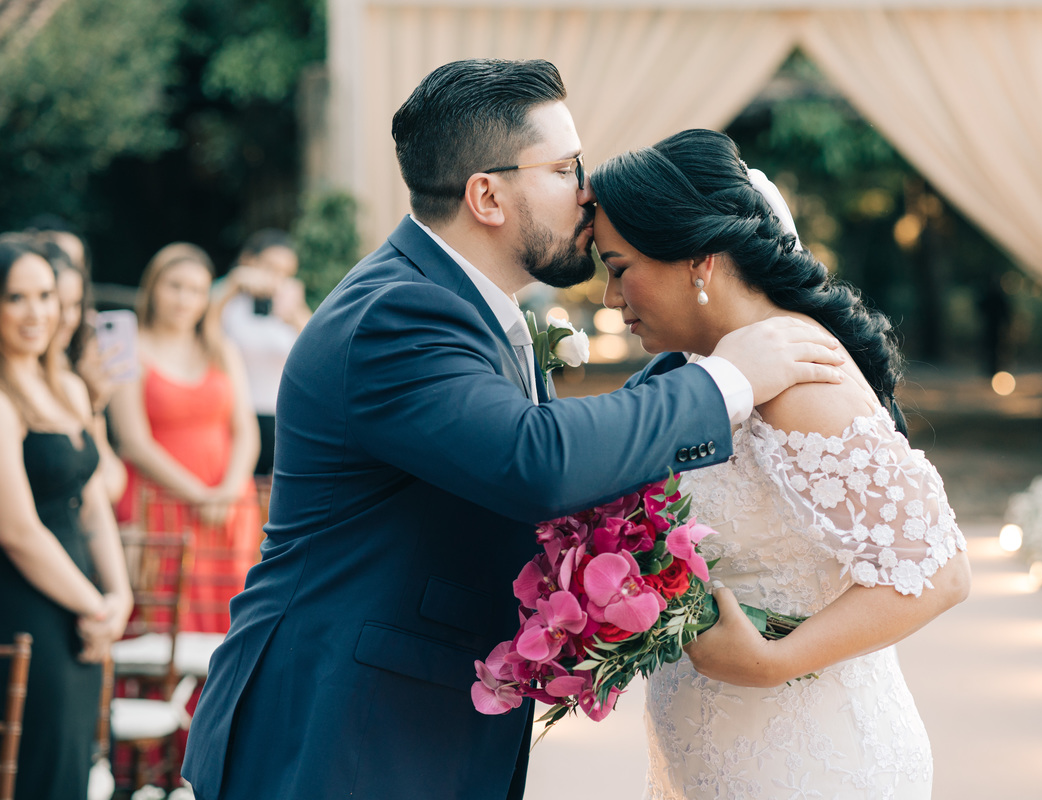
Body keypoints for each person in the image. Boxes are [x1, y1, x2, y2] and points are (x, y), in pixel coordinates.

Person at [182, 58, 846, 800]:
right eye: (566, 167)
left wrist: (706, 344)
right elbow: (535, 460)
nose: (589, 189)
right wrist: (727, 381)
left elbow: (532, 437)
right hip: (341, 731)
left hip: (401, 720)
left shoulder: (460, 302)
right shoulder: (396, 315)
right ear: (487, 195)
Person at [590, 129, 971, 799]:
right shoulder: (694, 374)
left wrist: (773, 661)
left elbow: (940, 569)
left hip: (810, 764)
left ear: (698, 261)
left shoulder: (801, 377)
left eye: (619, 268)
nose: (609, 299)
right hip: (711, 754)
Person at [0, 236, 133, 800]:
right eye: (15, 298)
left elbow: (95, 504)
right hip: (28, 606)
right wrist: (93, 603)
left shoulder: (71, 387)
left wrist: (120, 595)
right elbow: (18, 530)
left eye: (46, 295)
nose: (37, 313)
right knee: (41, 765)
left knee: (77, 761)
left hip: (84, 605)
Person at [109, 243, 261, 633]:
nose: (185, 299)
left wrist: (226, 492)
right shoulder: (127, 349)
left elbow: (246, 430)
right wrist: (199, 496)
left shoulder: (221, 349)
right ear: (152, 288)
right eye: (174, 286)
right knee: (164, 624)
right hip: (159, 503)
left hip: (227, 509)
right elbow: (134, 442)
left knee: (230, 616)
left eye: (196, 289)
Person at [210, 229, 311, 477]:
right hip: (233, 416)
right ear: (248, 261)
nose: (276, 278)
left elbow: (320, 354)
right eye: (270, 267)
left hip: (280, 418)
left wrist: (297, 314)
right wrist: (233, 284)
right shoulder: (227, 300)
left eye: (286, 273)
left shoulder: (290, 309)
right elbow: (204, 326)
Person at [37, 235, 128, 503]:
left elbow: (109, 482)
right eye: (58, 304)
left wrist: (94, 405)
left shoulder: (71, 378)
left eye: (76, 305)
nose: (68, 318)